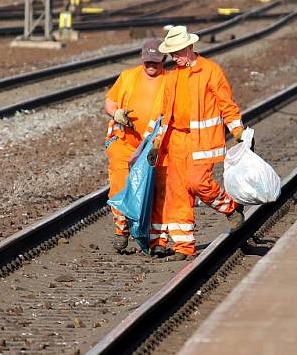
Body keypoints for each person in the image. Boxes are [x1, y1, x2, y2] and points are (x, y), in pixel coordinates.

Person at [147, 25, 246, 261]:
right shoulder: (171, 77)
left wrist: (238, 131)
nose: (175, 58)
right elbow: (164, 114)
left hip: (203, 141)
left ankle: (230, 207)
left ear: (190, 47)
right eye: (172, 54)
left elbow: (226, 104)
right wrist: (155, 144)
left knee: (198, 183)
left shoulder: (211, 71)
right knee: (177, 193)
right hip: (176, 142)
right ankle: (183, 247)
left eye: (178, 52)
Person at [104, 39, 168, 253]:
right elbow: (109, 102)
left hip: (154, 147)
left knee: (157, 190)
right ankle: (121, 232)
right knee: (120, 186)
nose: (151, 66)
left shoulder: (170, 81)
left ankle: (157, 239)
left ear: (164, 60)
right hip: (125, 143)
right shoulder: (128, 77)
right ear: (142, 60)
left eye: (156, 63)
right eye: (148, 62)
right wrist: (117, 113)